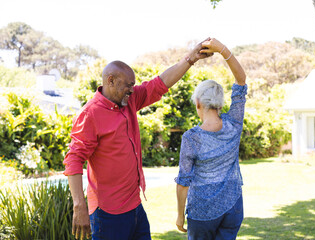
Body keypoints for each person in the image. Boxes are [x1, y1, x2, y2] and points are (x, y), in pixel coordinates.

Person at [63, 38, 213, 240]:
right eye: (128, 85)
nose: (132, 90)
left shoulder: (129, 100)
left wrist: (191, 58)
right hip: (107, 213)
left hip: (134, 207)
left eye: (133, 85)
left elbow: (159, 84)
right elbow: (74, 159)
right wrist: (79, 206)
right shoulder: (90, 114)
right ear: (110, 81)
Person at [175, 38, 247, 240]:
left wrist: (180, 215)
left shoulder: (192, 138)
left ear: (198, 103)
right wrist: (223, 50)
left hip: (202, 212)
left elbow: (183, 181)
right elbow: (241, 81)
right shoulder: (234, 123)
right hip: (233, 206)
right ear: (220, 103)